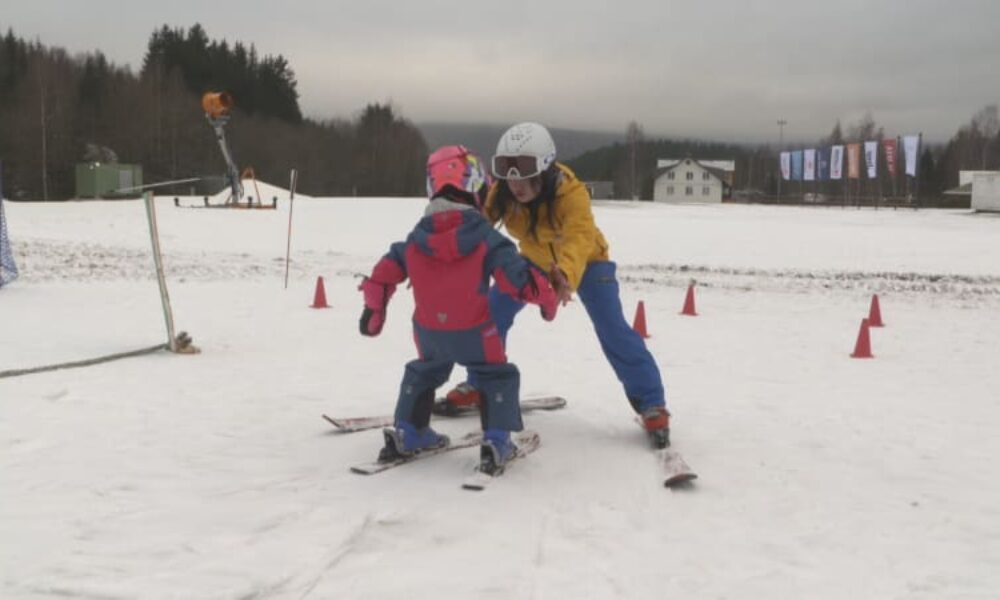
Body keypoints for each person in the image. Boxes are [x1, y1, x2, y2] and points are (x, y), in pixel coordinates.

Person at [443, 122, 672, 448]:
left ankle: (651, 402)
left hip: (588, 263)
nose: (514, 180)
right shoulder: (504, 192)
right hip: (533, 260)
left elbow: (579, 237)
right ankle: (479, 384)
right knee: (491, 312)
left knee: (613, 329)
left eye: (522, 169)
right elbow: (477, 228)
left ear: (545, 166)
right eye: (505, 168)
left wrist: (564, 274)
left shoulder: (571, 193)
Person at [358, 145, 560, 473]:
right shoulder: (484, 238)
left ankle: (409, 431)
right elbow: (519, 279)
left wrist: (374, 312)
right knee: (495, 375)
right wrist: (548, 302)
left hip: (428, 333)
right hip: (476, 332)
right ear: (477, 187)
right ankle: (496, 439)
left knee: (424, 370)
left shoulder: (415, 238)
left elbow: (384, 273)